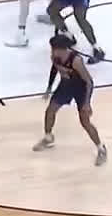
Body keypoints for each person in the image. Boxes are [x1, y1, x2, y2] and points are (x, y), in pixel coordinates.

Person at [35, 34, 107, 165]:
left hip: (80, 89)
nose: (52, 51)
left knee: (85, 122)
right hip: (65, 86)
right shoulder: (54, 56)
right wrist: (49, 88)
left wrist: (87, 103)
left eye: (54, 48)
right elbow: (54, 69)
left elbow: (89, 82)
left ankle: (101, 149)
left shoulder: (76, 60)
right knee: (50, 111)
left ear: (62, 49)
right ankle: (48, 138)